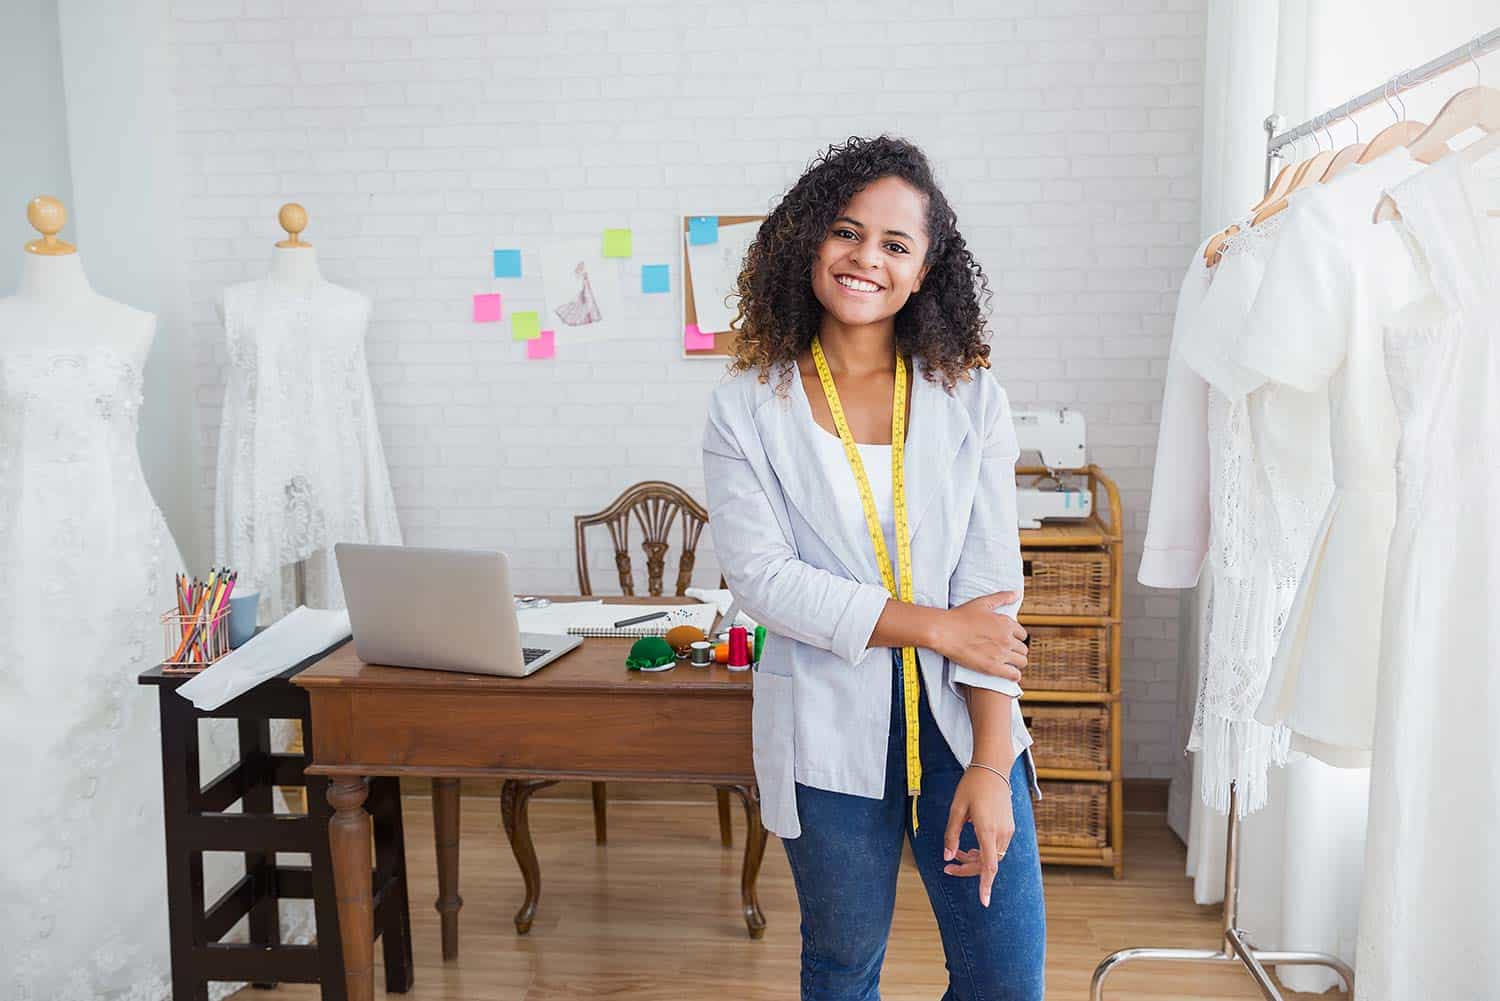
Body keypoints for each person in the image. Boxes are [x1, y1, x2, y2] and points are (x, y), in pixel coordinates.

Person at [702, 135, 1045, 1000]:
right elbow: (763, 579)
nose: (866, 259)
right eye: (847, 233)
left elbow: (991, 595)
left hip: (961, 721)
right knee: (843, 970)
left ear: (925, 269)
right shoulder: (746, 403)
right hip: (826, 735)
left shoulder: (970, 397)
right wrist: (933, 624)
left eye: (896, 244)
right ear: (808, 241)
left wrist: (991, 766)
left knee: (1004, 979)